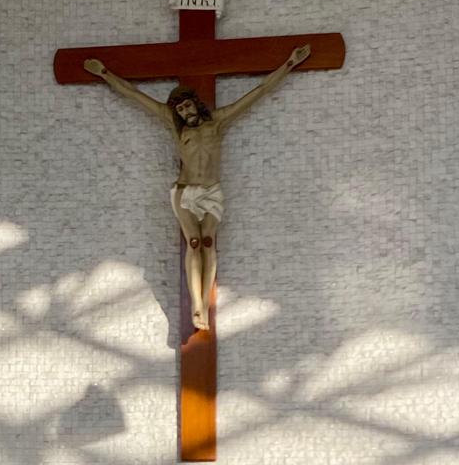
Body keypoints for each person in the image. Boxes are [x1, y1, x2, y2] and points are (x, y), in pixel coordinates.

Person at [83, 45, 311, 331]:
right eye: (179, 109)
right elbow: (134, 94)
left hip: (212, 190)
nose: (184, 111)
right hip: (185, 190)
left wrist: (289, 63)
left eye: (187, 105)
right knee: (194, 242)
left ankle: (205, 300)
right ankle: (197, 306)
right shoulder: (176, 126)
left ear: (196, 104)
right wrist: (104, 73)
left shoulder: (218, 121)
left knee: (208, 243)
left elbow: (260, 91)